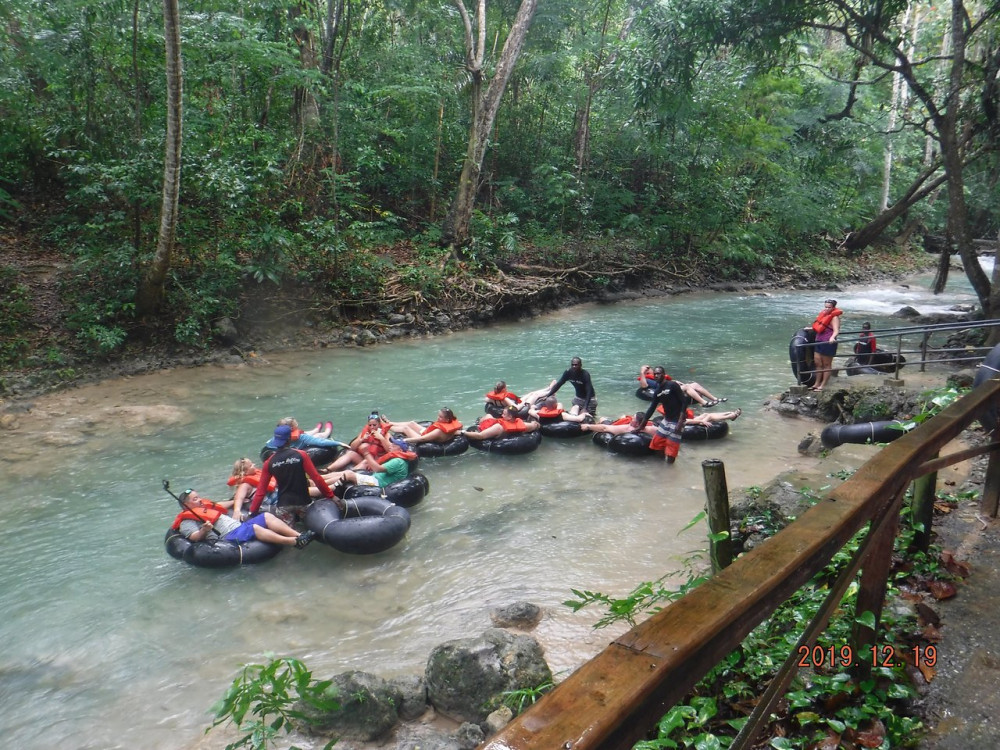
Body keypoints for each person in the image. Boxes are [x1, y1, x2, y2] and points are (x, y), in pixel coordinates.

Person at [249, 424, 337, 522]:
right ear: (289, 439)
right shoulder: (301, 455)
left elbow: (261, 491)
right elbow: (316, 478)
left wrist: (253, 512)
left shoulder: (269, 462)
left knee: (291, 533)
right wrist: (331, 496)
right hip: (304, 503)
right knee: (310, 529)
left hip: (283, 506)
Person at [172, 489, 315, 548]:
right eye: (196, 499)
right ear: (186, 504)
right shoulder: (187, 521)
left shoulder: (205, 507)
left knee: (266, 516)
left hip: (239, 526)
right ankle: (293, 542)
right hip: (228, 535)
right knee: (254, 528)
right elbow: (193, 537)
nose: (200, 500)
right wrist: (204, 530)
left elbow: (220, 505)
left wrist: (236, 501)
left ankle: (300, 535)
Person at [634, 377, 689, 463]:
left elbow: (684, 401)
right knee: (656, 443)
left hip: (677, 420)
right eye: (655, 374)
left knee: (672, 447)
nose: (656, 376)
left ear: (663, 374)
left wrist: (680, 421)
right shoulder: (658, 391)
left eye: (659, 373)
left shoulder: (672, 385)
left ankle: (670, 469)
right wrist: (641, 426)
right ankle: (661, 467)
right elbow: (652, 408)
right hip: (667, 419)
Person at [322, 446, 413, 490]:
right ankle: (320, 479)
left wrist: (366, 453)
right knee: (347, 472)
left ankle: (322, 486)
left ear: (400, 450)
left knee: (349, 474)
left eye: (393, 445)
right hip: (376, 478)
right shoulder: (400, 460)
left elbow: (377, 469)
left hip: (378, 483)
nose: (390, 445)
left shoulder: (398, 461)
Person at [639, 364, 725, 407]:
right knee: (687, 386)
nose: (649, 369)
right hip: (665, 391)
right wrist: (642, 372)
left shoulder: (658, 376)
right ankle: (704, 403)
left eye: (649, 367)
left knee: (694, 384)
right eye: (647, 369)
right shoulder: (647, 379)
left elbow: (668, 381)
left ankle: (715, 399)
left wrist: (676, 382)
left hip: (671, 387)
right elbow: (644, 386)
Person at [811, 298, 843, 391]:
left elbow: (836, 330)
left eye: (829, 307)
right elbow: (819, 326)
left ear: (833, 308)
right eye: (825, 307)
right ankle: (816, 383)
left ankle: (823, 384)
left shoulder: (834, 317)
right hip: (819, 340)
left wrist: (832, 337)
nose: (826, 309)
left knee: (826, 364)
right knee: (818, 363)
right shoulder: (824, 315)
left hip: (828, 342)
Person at [462, 405, 541, 441]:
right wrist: (535, 422)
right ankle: (479, 420)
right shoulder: (523, 425)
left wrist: (463, 432)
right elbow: (536, 425)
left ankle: (479, 421)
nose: (502, 415)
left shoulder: (498, 427)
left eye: (504, 414)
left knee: (488, 416)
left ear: (510, 417)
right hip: (509, 429)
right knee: (489, 416)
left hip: (489, 429)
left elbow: (480, 436)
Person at [388, 408, 464, 444]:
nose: (438, 418)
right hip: (427, 432)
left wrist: (405, 440)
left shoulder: (439, 431)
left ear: (447, 419)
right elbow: (459, 428)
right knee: (412, 423)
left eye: (440, 417)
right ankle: (389, 423)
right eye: (438, 416)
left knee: (406, 428)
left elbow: (423, 439)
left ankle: (388, 427)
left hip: (424, 437)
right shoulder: (451, 423)